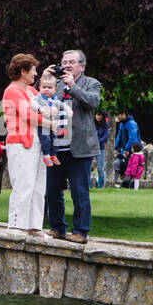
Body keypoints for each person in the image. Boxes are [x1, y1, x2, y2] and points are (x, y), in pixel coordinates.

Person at [43, 50, 101, 244]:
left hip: (80, 149)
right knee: (52, 190)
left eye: (71, 62)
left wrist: (73, 86)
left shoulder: (91, 83)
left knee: (79, 191)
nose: (67, 65)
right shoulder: (55, 84)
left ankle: (80, 231)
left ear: (82, 66)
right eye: (64, 62)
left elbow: (92, 102)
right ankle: (57, 227)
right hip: (56, 147)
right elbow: (38, 98)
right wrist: (44, 75)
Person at [1, 53, 45, 236]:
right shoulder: (13, 90)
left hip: (37, 143)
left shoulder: (32, 91)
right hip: (20, 143)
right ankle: (16, 224)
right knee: (24, 184)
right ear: (23, 71)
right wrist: (50, 122)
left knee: (38, 186)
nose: (35, 74)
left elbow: (47, 101)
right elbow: (28, 115)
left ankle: (34, 226)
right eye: (33, 70)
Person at [31, 69, 68, 167]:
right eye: (44, 87)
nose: (47, 89)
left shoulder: (54, 99)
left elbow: (61, 104)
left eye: (50, 87)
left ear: (55, 89)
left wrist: (68, 110)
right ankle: (46, 155)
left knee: (54, 139)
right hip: (43, 124)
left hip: (52, 125)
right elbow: (32, 103)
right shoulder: (38, 98)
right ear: (39, 87)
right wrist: (39, 108)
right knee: (46, 140)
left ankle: (53, 154)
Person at [93, 110, 109, 188]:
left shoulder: (105, 125)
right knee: (89, 167)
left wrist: (98, 141)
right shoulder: (92, 123)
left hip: (100, 148)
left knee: (100, 167)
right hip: (91, 147)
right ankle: (88, 185)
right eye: (97, 115)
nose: (98, 117)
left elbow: (105, 136)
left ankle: (100, 185)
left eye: (100, 115)